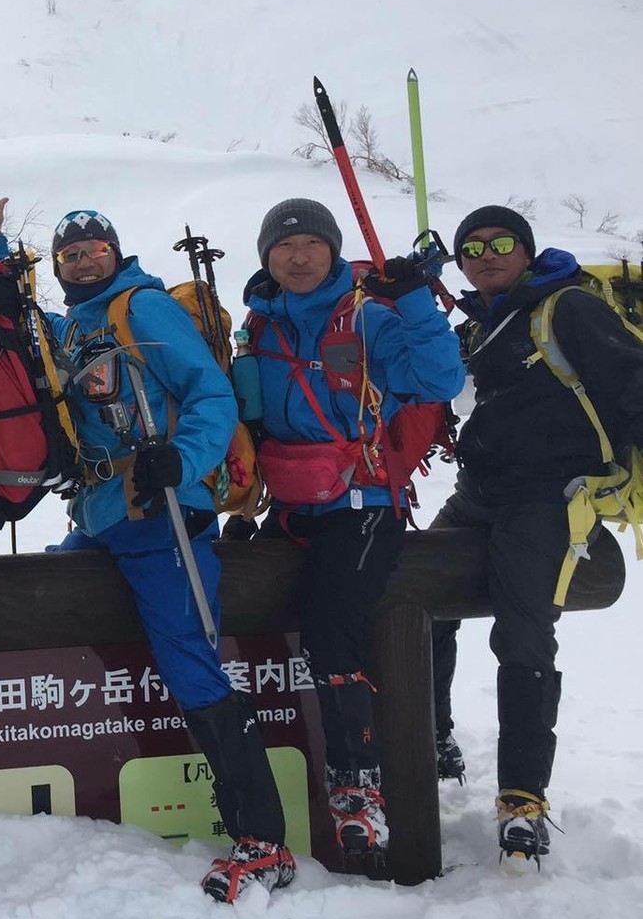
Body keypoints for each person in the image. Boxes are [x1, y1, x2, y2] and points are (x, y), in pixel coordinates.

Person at [0, 199, 296, 901]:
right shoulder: (78, 324)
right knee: (48, 604)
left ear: (115, 252)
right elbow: (33, 327)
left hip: (163, 510)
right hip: (104, 514)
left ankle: (262, 840)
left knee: (192, 666)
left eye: (92, 248)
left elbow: (208, 393)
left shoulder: (139, 310)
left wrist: (183, 457)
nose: (82, 259)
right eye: (69, 254)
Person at [243, 198, 464, 859]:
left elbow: (439, 377)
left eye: (312, 243)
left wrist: (415, 303)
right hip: (289, 504)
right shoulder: (259, 328)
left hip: (363, 503)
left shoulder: (368, 317)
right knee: (247, 609)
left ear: (334, 249)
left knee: (329, 629)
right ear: (266, 257)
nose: (298, 256)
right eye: (284, 246)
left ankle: (357, 785)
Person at [429, 206, 643, 860]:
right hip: (477, 495)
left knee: (521, 636)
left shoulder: (567, 306)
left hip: (545, 500)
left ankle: (522, 800)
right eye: (471, 247)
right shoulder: (485, 322)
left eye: (500, 244)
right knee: (417, 597)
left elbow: (633, 382)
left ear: (525, 251)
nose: (486, 255)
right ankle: (433, 735)